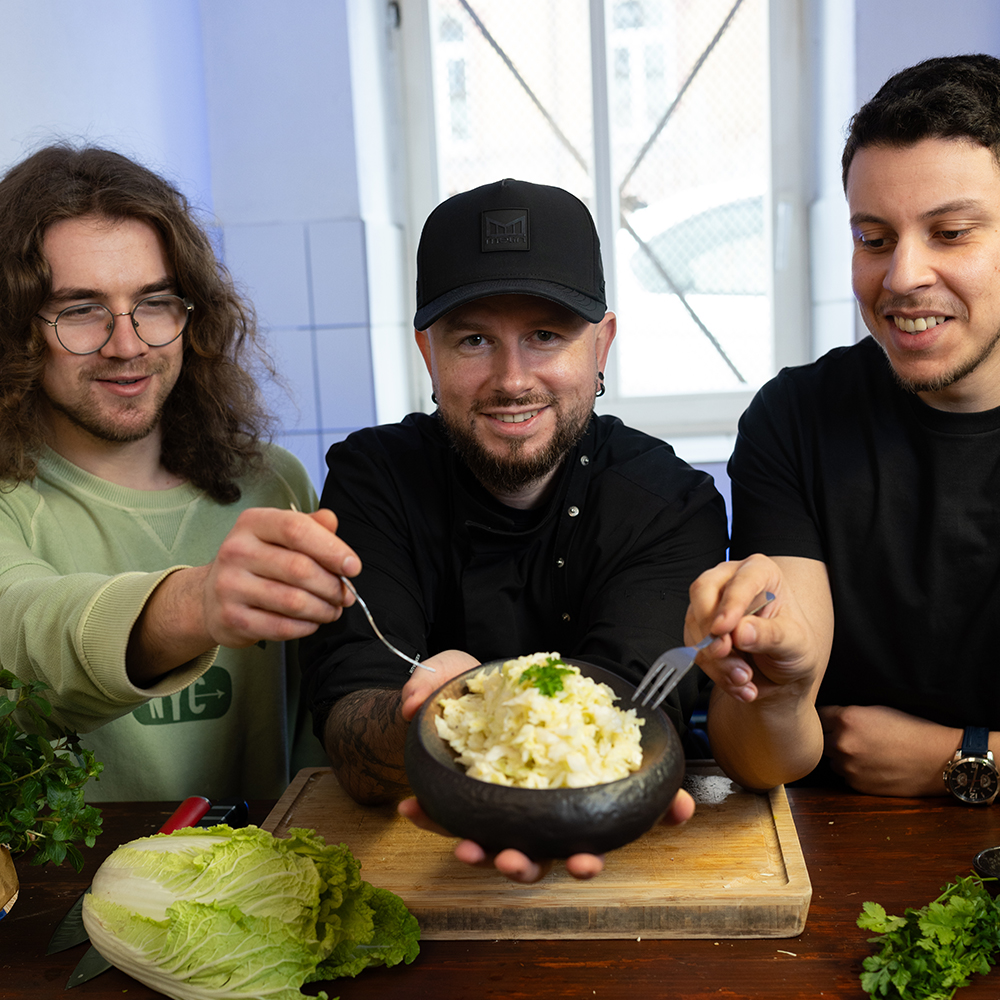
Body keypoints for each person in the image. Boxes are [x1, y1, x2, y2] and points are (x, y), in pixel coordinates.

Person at [301, 178, 729, 880]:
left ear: (601, 347)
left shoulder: (668, 502)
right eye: (473, 339)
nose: (512, 378)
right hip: (410, 867)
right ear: (427, 354)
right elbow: (349, 729)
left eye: (545, 336)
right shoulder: (372, 479)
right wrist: (433, 714)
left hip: (624, 873)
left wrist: (497, 732)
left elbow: (638, 723)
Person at [0, 144, 360, 802]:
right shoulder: (10, 505)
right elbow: (23, 639)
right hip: (66, 900)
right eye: (80, 310)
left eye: (155, 302)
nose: (128, 344)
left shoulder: (271, 483)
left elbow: (319, 713)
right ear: (16, 329)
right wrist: (195, 605)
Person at [690, 54, 1000, 802]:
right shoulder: (795, 419)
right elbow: (765, 764)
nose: (902, 278)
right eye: (874, 238)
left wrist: (962, 759)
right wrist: (784, 691)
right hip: (842, 862)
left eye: (951, 232)